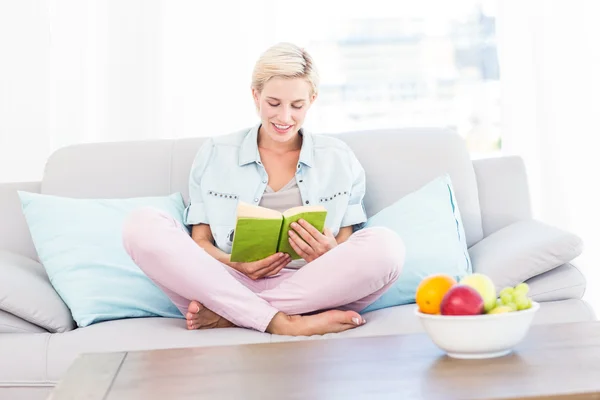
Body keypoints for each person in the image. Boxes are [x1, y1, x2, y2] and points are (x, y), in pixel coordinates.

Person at [123, 42, 405, 336]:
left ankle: (234, 316)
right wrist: (238, 264)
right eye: (273, 103)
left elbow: (348, 245)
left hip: (314, 289)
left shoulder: (339, 157)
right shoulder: (216, 153)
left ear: (312, 99)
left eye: (297, 106)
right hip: (226, 283)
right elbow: (201, 243)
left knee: (388, 246)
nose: (285, 118)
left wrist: (330, 254)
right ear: (255, 95)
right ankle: (283, 322)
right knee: (141, 224)